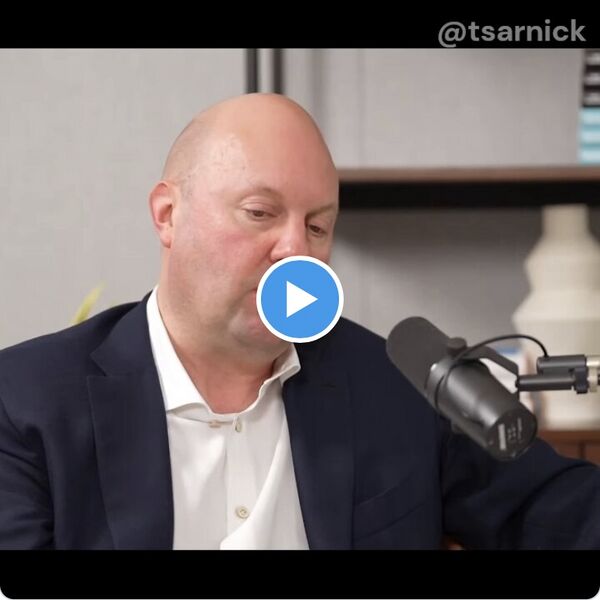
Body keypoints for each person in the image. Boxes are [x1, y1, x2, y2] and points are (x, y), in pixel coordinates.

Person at [0, 93, 599, 550]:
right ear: (168, 215)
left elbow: (564, 512)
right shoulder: (25, 401)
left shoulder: (399, 386)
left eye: (317, 227)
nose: (296, 251)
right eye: (260, 213)